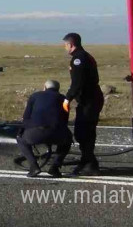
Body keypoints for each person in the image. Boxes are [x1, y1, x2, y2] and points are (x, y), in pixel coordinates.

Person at [62, 32, 105, 176]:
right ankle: (87, 161)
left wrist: (67, 98)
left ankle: (90, 164)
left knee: (83, 132)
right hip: (91, 99)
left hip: (89, 100)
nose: (65, 47)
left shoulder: (78, 59)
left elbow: (77, 83)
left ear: (71, 44)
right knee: (86, 132)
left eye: (66, 45)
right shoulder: (86, 56)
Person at [16, 80, 72, 178]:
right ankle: (55, 167)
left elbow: (26, 117)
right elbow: (65, 120)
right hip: (57, 134)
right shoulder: (64, 99)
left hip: (35, 133)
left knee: (21, 139)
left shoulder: (35, 96)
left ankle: (34, 166)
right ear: (58, 89)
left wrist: (24, 130)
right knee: (68, 140)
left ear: (44, 87)